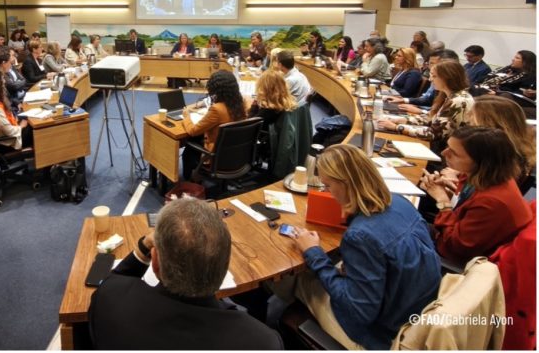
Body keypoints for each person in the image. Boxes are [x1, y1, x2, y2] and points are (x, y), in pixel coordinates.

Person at [288, 144, 441, 349]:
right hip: (416, 312)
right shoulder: (400, 201)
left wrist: (314, 253)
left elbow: (358, 312)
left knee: (297, 278)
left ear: (345, 185)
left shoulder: (360, 236)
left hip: (386, 335)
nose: (327, 192)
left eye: (328, 186)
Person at [89, 197, 283, 350]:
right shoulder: (264, 342)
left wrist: (144, 246)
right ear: (224, 268)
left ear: (155, 263)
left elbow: (115, 280)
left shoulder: (109, 301)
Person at [421, 127, 533, 265]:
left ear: (481, 162)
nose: (444, 153)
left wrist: (442, 201)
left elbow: (453, 247)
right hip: (447, 237)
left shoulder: (492, 201)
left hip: (455, 258)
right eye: (448, 147)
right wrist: (449, 195)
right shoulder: (483, 176)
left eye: (454, 153)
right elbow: (465, 211)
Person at [379, 60, 474, 155]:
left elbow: (433, 134)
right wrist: (398, 120)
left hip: (444, 152)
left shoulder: (458, 101)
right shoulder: (451, 95)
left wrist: (397, 127)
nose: (430, 79)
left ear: (447, 78)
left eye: (434, 76)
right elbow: (430, 118)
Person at [181, 70, 247, 180]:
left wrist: (187, 116)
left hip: (216, 156)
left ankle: (189, 182)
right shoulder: (241, 103)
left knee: (190, 147)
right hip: (236, 155)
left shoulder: (217, 109)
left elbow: (193, 131)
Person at [469, 95, 536, 193]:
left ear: (489, 124)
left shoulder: (499, 157)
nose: (468, 125)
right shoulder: (519, 148)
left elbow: (478, 192)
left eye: (472, 121)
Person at [0, 48, 27, 114]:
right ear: (3, 63)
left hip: (12, 107)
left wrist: (17, 103)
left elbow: (8, 97)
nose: (11, 64)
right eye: (9, 62)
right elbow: (4, 101)